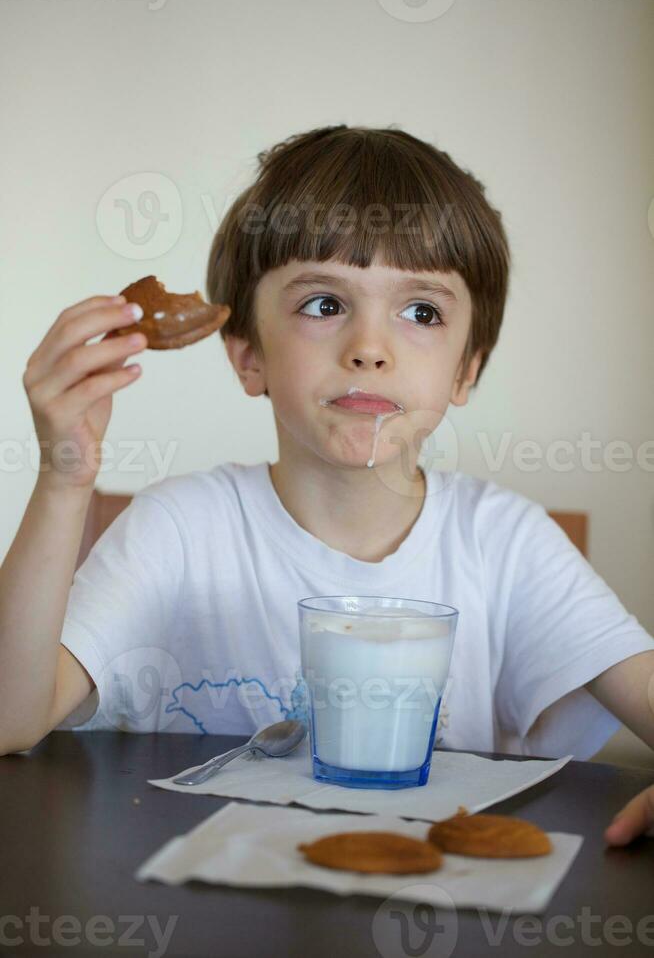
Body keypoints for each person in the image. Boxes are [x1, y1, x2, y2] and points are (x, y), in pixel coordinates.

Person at [1, 125, 653, 847]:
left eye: (422, 312)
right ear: (248, 355)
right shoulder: (177, 530)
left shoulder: (507, 544)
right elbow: (9, 719)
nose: (369, 349)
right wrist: (64, 479)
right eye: (323, 304)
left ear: (467, 369)